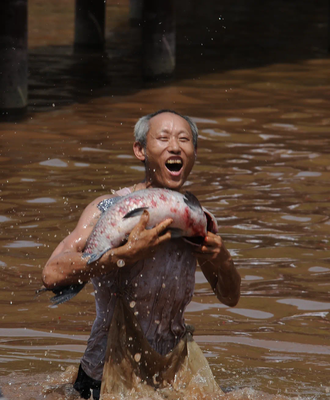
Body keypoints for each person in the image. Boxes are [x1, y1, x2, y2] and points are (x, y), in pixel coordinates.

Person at [42, 110, 241, 399]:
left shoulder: (196, 221)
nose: (175, 146)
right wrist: (121, 255)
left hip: (175, 375)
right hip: (106, 375)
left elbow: (230, 297)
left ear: (194, 152)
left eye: (184, 139)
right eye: (163, 138)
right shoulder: (109, 209)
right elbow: (51, 273)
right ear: (140, 150)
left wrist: (223, 259)